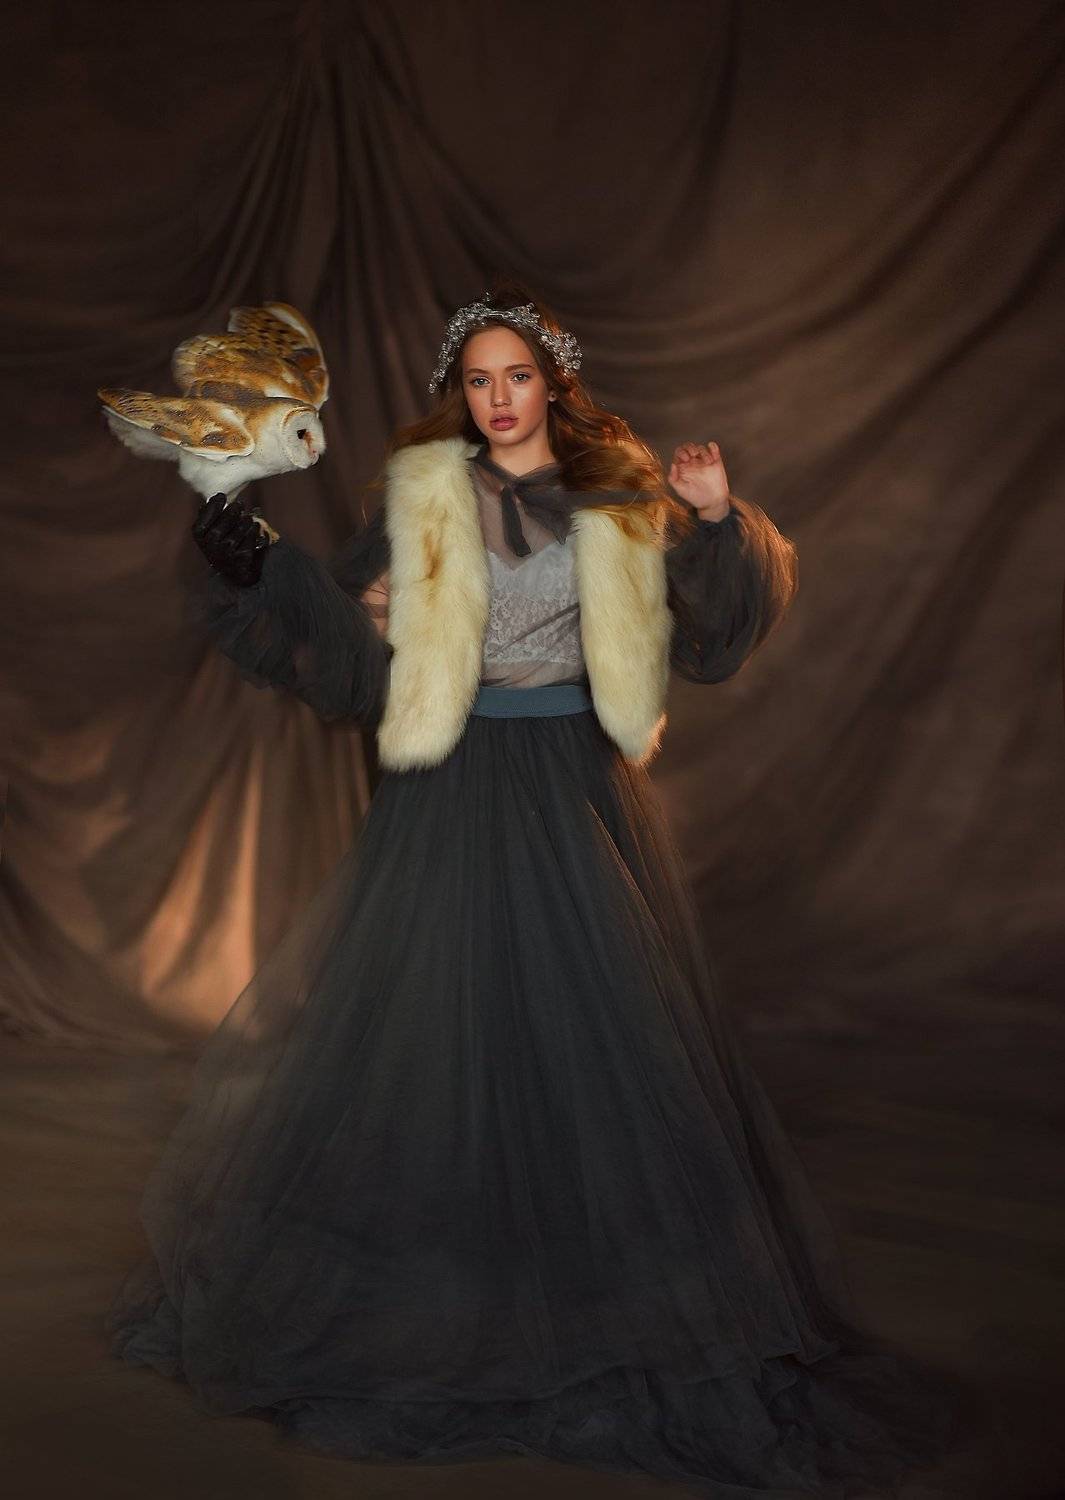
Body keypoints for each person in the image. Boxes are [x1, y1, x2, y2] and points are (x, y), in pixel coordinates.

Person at [107, 281, 973, 1495]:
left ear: (553, 387)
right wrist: (258, 564)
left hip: (576, 789)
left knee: (598, 1036)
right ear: (459, 395)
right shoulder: (424, 496)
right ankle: (448, 1302)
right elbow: (356, 659)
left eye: (517, 377)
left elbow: (712, 637)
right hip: (455, 790)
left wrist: (716, 521)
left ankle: (603, 1303)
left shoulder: (617, 497)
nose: (498, 398)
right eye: (478, 381)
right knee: (442, 1036)